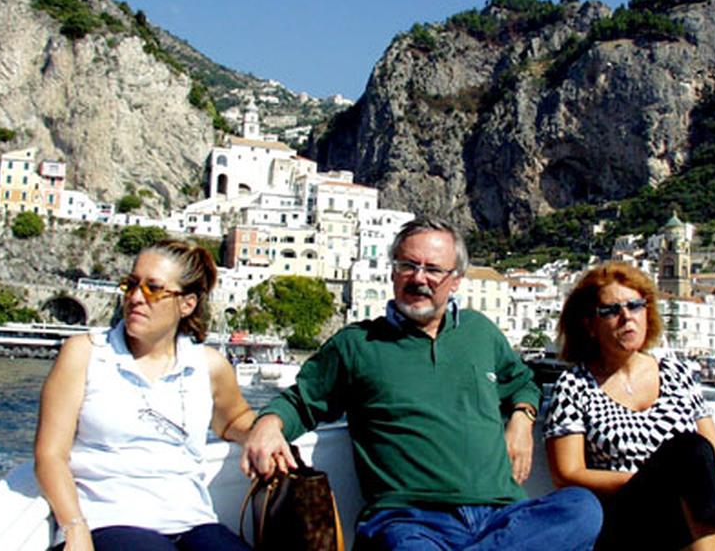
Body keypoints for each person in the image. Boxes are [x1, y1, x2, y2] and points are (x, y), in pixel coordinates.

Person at [242, 218, 602, 550]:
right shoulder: (356, 345)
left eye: (433, 269)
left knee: (582, 507)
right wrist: (268, 424)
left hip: (501, 516)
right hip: (408, 520)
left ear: (456, 280)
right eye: (407, 266)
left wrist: (522, 420)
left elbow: (522, 381)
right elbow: (301, 401)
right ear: (393, 272)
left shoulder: (480, 333)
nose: (419, 278)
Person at [544, 261, 715, 551]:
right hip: (630, 521)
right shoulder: (575, 384)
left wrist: (693, 488)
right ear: (589, 324)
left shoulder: (675, 373)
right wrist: (653, 479)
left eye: (636, 306)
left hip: (694, 510)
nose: (626, 317)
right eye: (611, 310)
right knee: (687, 451)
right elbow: (567, 473)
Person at [34, 240, 255, 551]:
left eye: (153, 289)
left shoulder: (208, 366)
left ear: (187, 304)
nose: (136, 298)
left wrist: (261, 435)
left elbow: (234, 419)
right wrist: (74, 527)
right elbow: (49, 455)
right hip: (107, 521)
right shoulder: (85, 355)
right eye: (131, 285)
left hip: (191, 520)